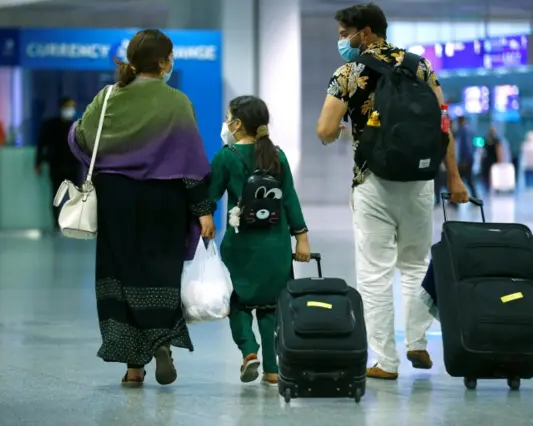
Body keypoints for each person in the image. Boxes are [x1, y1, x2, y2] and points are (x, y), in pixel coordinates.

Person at [316, 3, 469, 380]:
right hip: (419, 181)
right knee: (416, 263)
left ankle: (385, 360)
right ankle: (417, 340)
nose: (341, 41)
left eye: (343, 34)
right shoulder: (421, 66)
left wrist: (346, 130)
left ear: (364, 33)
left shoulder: (349, 73)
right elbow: (442, 123)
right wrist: (454, 176)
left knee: (374, 273)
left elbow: (324, 130)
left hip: (374, 182)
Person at [67, 29, 216, 387]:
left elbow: (82, 138)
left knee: (121, 276)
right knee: (159, 274)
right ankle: (162, 341)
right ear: (164, 61)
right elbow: (193, 166)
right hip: (164, 204)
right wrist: (203, 210)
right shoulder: (177, 103)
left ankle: (134, 367)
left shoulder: (106, 99)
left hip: (117, 202)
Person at [209, 95, 311, 387]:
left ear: (238, 124)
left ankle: (248, 351)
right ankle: (271, 368)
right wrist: (302, 240)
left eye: (229, 117)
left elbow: (210, 197)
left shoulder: (226, 156)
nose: (226, 123)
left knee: (239, 300)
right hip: (276, 246)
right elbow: (290, 199)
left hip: (241, 245)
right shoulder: (277, 156)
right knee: (270, 306)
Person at [35, 97, 81, 229]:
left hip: (73, 165)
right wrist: (38, 162)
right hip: (56, 165)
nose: (71, 110)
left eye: (73, 106)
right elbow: (41, 144)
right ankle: (56, 223)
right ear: (62, 107)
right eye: (68, 106)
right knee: (56, 196)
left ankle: (74, 222)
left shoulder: (76, 125)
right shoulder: (51, 125)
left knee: (75, 196)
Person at [454, 116, 477, 199]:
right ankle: (455, 201)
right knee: (467, 180)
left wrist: (464, 160)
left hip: (465, 161)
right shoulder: (467, 130)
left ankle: (455, 201)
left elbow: (466, 146)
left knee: (466, 180)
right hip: (467, 159)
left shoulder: (464, 131)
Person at [480, 126, 503, 193]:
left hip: (488, 160)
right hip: (492, 160)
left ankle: (489, 188)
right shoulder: (496, 140)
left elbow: (482, 152)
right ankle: (491, 188)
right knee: (491, 175)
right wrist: (500, 161)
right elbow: (499, 151)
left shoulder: (486, 140)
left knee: (489, 176)